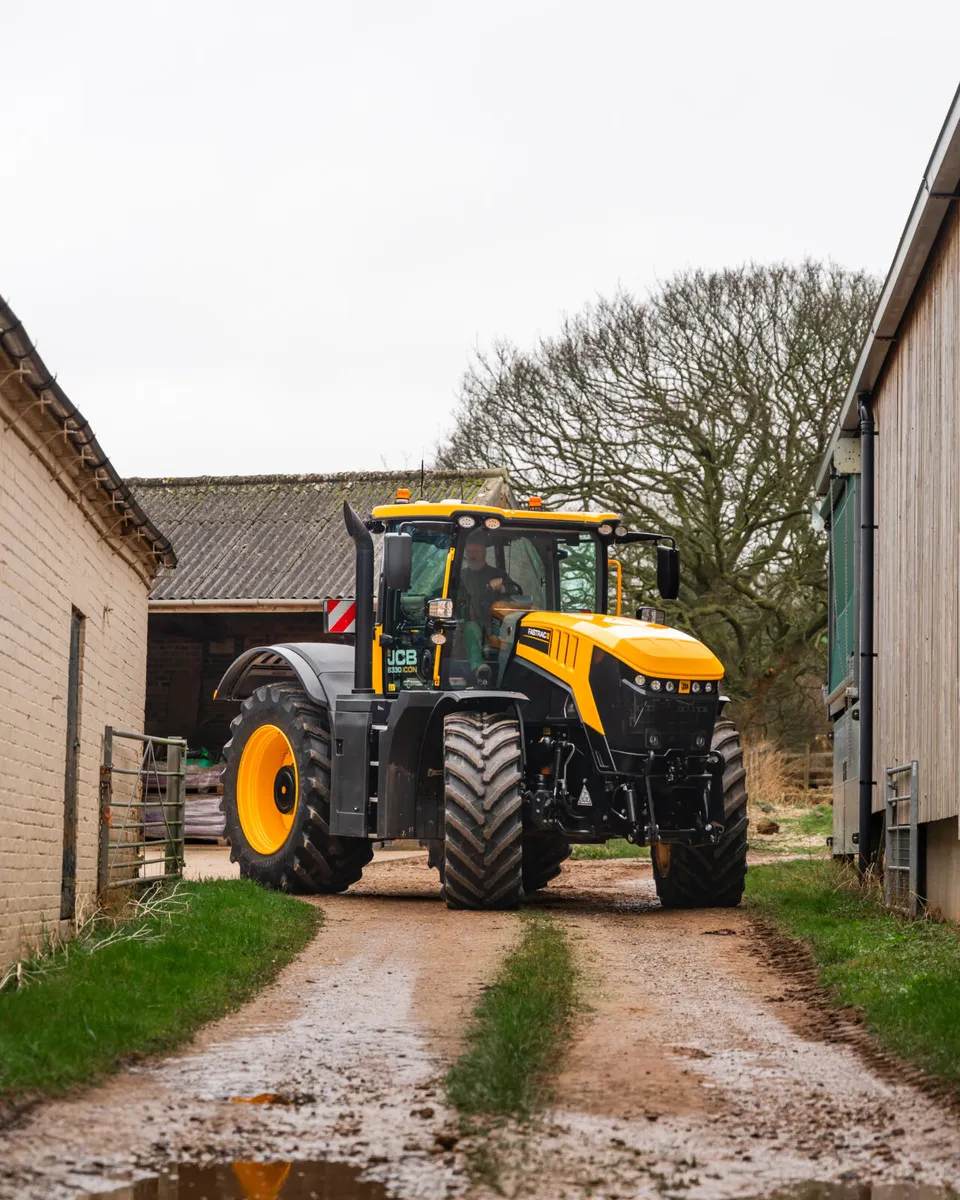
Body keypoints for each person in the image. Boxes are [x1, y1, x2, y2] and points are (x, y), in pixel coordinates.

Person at [457, 535, 516, 678]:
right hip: (471, 622)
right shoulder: (460, 577)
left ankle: (510, 671)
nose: (473, 555)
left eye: (476, 552)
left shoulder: (498, 574)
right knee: (470, 628)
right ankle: (479, 668)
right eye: (469, 552)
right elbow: (444, 593)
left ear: (484, 553)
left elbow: (514, 592)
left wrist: (502, 586)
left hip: (497, 621)